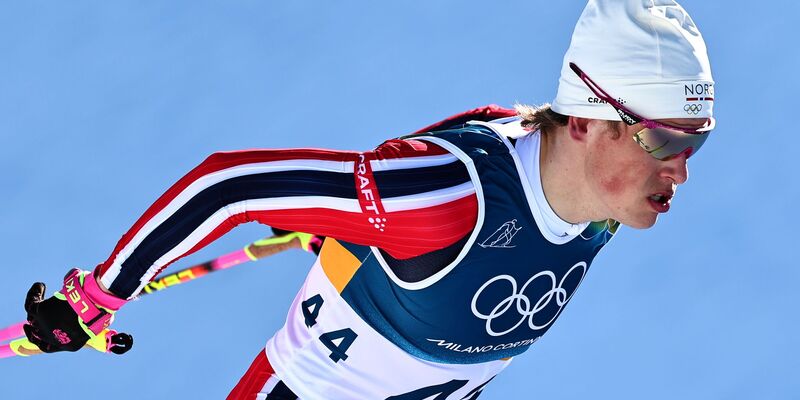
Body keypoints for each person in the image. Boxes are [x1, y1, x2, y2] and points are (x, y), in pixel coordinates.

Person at [21, 0, 716, 398]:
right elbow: (227, 185)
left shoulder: (611, 194)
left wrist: (357, 236)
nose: (680, 171)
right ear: (589, 120)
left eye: (696, 144)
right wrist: (99, 297)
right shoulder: (442, 197)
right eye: (661, 141)